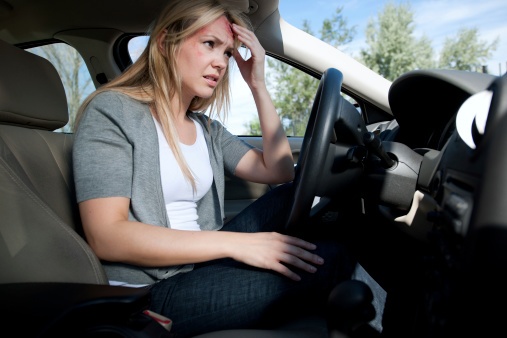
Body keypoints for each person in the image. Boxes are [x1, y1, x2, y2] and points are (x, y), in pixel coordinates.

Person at [73, 0, 355, 336]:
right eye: (210, 45)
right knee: (334, 259)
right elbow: (108, 236)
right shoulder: (113, 112)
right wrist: (238, 245)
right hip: (152, 293)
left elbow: (280, 171)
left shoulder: (206, 129)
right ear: (165, 43)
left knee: (310, 198)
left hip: (201, 263)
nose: (221, 63)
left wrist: (258, 86)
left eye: (227, 53)